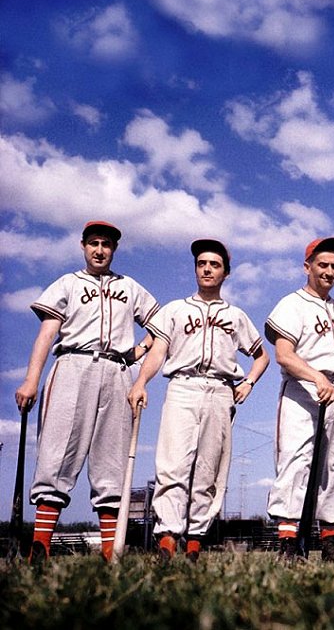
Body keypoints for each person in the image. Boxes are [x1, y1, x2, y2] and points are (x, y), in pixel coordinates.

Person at [14, 221, 159, 563]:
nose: (99, 250)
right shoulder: (68, 283)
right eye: (93, 243)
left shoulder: (129, 287)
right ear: (83, 246)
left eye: (106, 244)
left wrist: (136, 354)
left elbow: (160, 326)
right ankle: (41, 546)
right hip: (73, 365)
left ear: (114, 250)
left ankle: (111, 552)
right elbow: (47, 334)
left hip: (117, 371)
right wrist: (31, 380)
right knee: (57, 453)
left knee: (112, 460)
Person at [127, 239, 269, 562]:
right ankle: (166, 540)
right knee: (173, 464)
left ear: (226, 273)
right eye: (202, 263)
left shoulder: (235, 315)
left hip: (220, 390)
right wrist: (140, 381)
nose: (207, 269)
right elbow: (158, 352)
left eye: (214, 264)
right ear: (195, 269)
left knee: (207, 470)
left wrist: (248, 382)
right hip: (183, 386)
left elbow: (262, 356)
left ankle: (194, 544)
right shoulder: (175, 309)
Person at [265, 237, 334, 562]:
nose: (330, 271)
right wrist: (316, 377)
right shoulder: (292, 304)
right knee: (295, 463)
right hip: (301, 391)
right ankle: (288, 544)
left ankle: (329, 543)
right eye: (323, 265)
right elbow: (283, 355)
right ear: (307, 267)